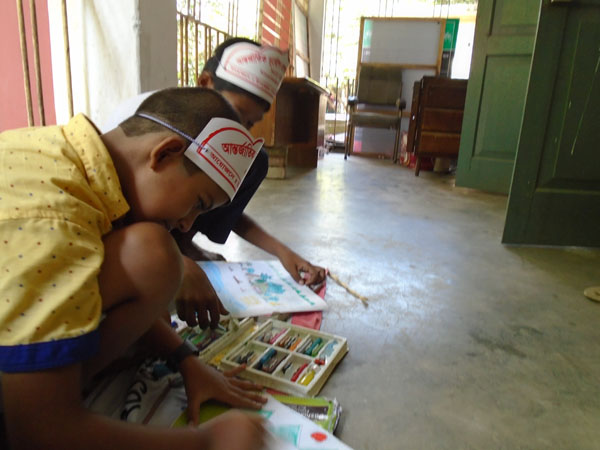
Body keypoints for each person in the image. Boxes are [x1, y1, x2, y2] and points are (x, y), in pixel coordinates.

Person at [0, 88, 269, 450]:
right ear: (165, 153)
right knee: (156, 256)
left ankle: (51, 381)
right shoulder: (55, 222)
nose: (187, 224)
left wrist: (185, 360)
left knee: (150, 255)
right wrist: (207, 442)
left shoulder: (59, 153)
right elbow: (37, 434)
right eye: (198, 203)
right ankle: (41, 391)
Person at [104, 38, 326, 330]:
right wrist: (176, 265)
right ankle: (180, 251)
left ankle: (184, 247)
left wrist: (282, 252)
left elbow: (218, 205)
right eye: (235, 114)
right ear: (205, 82)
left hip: (160, 228)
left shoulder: (218, 146)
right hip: (123, 231)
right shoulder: (149, 122)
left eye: (249, 123)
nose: (239, 130)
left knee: (254, 159)